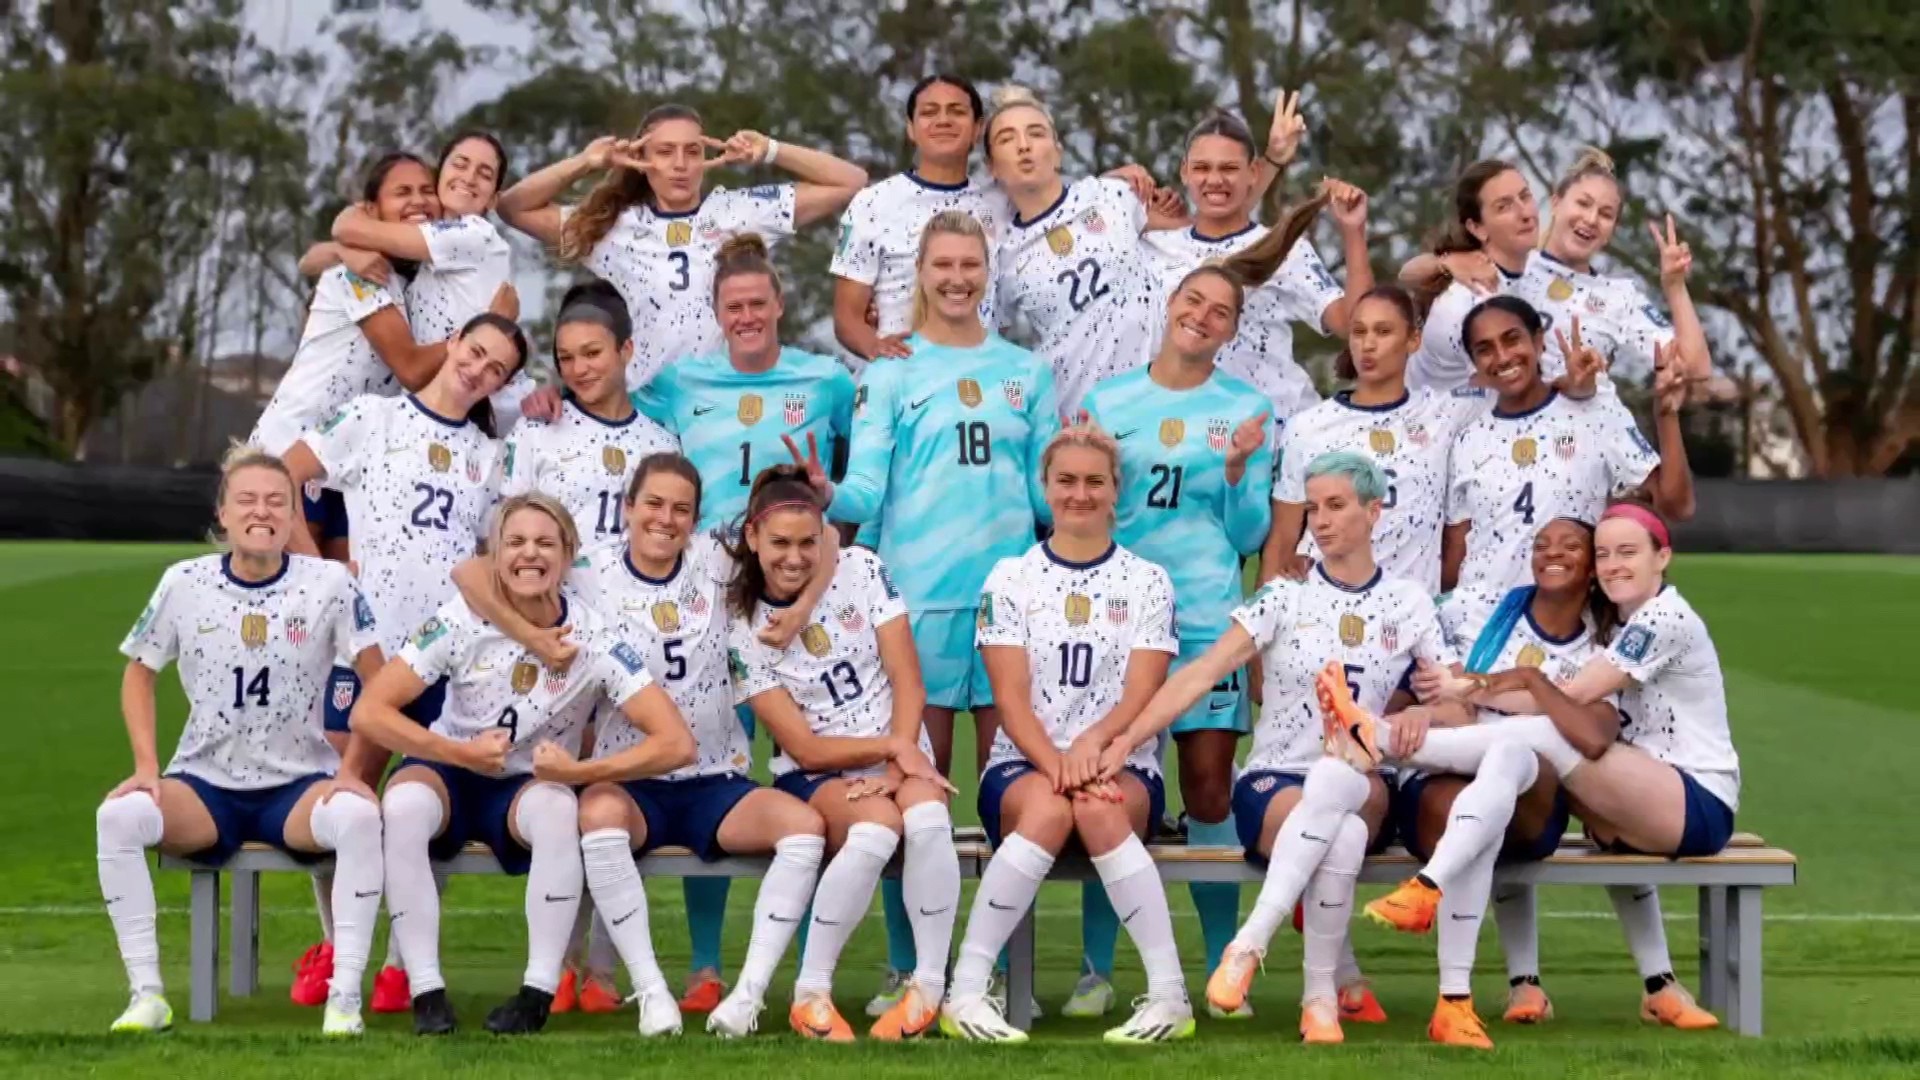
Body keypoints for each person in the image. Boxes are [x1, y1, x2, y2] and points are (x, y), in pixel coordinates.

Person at [451, 455, 836, 1037]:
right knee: (598, 815)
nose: (666, 518)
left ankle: (748, 997)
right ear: (628, 507)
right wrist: (532, 636)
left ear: (697, 519)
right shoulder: (589, 567)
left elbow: (823, 536)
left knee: (804, 828)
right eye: (653, 503)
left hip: (715, 776)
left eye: (681, 508)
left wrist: (801, 609)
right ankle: (652, 993)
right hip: (629, 778)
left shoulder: (717, 559)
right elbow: (471, 574)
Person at [796, 210, 1058, 1016]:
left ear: (988, 273)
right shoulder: (892, 370)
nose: (956, 278)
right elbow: (868, 490)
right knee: (917, 794)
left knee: (1022, 795)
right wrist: (829, 494)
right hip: (923, 604)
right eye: (942, 265)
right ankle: (910, 971)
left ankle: (1001, 976)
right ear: (920, 272)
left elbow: (1048, 496)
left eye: (969, 265)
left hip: (1014, 609)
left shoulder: (1028, 371)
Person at [1098, 451, 1452, 1044]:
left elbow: (1455, 700)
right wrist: (1126, 739)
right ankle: (1320, 1004)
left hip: (1365, 784)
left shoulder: (1411, 602)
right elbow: (1198, 674)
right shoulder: (1281, 598)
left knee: (1345, 792)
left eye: (1337, 506)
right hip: (1276, 783)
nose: (1321, 520)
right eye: (1312, 507)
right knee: (1337, 831)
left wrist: (1423, 709)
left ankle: (1252, 947)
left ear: (1374, 512)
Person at [1378, 501, 1732, 1032]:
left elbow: (1571, 703)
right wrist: (1483, 691)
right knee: (1513, 768)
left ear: (1664, 555)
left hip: (1694, 798)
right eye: (1608, 553)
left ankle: (1377, 744)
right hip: (1643, 788)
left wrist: (1495, 686)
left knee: (1545, 742)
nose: (1614, 564)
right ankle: (1652, 986)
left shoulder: (1662, 617)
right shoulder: (1623, 620)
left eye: (1627, 553)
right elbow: (1555, 703)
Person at [351, 494, 693, 1036]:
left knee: (558, 809)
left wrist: (578, 775)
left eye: (544, 543)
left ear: (568, 555)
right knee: (404, 804)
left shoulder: (594, 636)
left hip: (528, 784)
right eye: (515, 542)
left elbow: (676, 743)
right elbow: (370, 711)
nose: (529, 554)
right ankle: (425, 990)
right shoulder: (458, 619)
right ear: (494, 554)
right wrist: (458, 753)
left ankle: (536, 992)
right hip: (453, 771)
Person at [281, 312, 528, 1012]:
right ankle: (337, 949)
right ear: (452, 343)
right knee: (345, 793)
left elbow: (490, 561)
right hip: (362, 647)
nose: (478, 370)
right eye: (474, 351)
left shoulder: (491, 458)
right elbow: (289, 475)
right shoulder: (372, 418)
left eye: (497, 369)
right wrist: (322, 574)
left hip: (443, 660)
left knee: (423, 806)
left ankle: (396, 965)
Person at [96, 449, 385, 1036]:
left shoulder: (329, 582)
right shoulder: (184, 582)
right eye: (247, 500)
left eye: (277, 501)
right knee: (118, 816)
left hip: (299, 784)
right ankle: (146, 995)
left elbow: (378, 683)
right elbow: (138, 673)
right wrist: (147, 766)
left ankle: (345, 998)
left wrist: (353, 767)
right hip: (204, 785)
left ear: (291, 517)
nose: (263, 511)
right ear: (222, 514)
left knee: (358, 817)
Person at [941, 425, 1193, 1046]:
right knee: (1055, 805)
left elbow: (1142, 696)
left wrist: (1095, 746)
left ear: (1115, 491)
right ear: (1045, 488)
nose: (1079, 494)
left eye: (1093, 482)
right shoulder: (1011, 576)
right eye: (1066, 481)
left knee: (1099, 810)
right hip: (1023, 762)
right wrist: (1054, 760)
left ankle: (1170, 998)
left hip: (1122, 760)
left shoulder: (1148, 580)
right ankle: (966, 993)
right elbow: (1009, 697)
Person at [1074, 262, 1273, 1016]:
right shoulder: (1108, 400)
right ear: (1170, 303)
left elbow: (1250, 532)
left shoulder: (1247, 408)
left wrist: (1234, 471)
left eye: (1221, 311)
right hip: (1118, 622)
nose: (1203, 316)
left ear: (1231, 329)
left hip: (1203, 620)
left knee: (1210, 789)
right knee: (1108, 786)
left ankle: (1228, 970)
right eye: (1195, 300)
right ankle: (1097, 970)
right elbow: (1079, 500)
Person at [723, 466, 960, 1042]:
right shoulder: (740, 627)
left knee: (928, 818)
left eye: (808, 541)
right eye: (779, 543)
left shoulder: (863, 569)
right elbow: (803, 747)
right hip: (819, 770)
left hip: (900, 749)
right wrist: (890, 749)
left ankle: (929, 987)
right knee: (877, 829)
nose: (795, 556)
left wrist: (898, 757)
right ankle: (812, 993)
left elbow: (909, 683)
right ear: (752, 539)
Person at [1382, 517, 1612, 1043]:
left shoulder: (1604, 643)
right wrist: (1430, 708)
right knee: (1476, 802)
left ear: (1594, 566)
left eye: (1570, 544)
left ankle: (1446, 952)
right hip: (1447, 779)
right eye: (1541, 544)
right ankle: (1454, 1002)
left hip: (1533, 796)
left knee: (1510, 760)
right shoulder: (1482, 613)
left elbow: (1592, 733)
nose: (1551, 553)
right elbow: (1422, 693)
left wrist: (1489, 690)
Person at [497, 106, 867, 388]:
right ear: (642, 160)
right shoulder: (615, 227)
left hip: (721, 399)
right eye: (665, 151)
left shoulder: (738, 211)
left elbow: (850, 181)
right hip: (646, 401)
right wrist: (585, 162)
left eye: (692, 151)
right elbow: (513, 207)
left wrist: (770, 149)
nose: (680, 165)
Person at [1264, 285, 1525, 593]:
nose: (1368, 344)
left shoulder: (1444, 414)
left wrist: (1443, 264)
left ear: (1413, 339)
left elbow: (1515, 377)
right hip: (1323, 615)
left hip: (1408, 618)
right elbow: (1282, 539)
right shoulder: (1308, 427)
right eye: (1359, 332)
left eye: (1383, 331)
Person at [1141, 98, 1370, 426]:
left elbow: (1352, 325)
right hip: (1185, 434)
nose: (1215, 180)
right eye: (1202, 168)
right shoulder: (1153, 247)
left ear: (1254, 173)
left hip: (1276, 429)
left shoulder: (1284, 249)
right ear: (1185, 172)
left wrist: (1353, 232)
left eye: (1229, 168)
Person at [1443, 296, 1695, 594]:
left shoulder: (1595, 411)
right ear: (1474, 363)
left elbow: (1678, 506)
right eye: (1484, 349)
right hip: (1484, 624)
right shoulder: (1467, 439)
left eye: (1512, 340)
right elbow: (1456, 557)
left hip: (1571, 621)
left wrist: (1666, 415)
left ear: (1539, 342)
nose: (1502, 357)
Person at [1405, 152, 1714, 393]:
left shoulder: (1620, 296)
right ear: (1555, 203)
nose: (1591, 219)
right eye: (1583, 203)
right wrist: (1445, 262)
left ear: (1612, 230)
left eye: (1606, 215)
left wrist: (1674, 287)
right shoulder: (1513, 261)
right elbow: (1410, 276)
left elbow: (1696, 368)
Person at [627, 234, 857, 540]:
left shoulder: (827, 379)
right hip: (709, 561)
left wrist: (855, 526)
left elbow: (876, 465)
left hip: (792, 561)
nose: (747, 318)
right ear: (717, 312)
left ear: (779, 305)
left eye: (758, 304)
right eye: (734, 307)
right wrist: (554, 398)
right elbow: (605, 404)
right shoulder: (680, 381)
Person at [983, 86, 1181, 414]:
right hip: (1079, 422)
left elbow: (1196, 240)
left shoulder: (1113, 195)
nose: (1023, 146)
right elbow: (994, 350)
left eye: (1036, 133)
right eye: (1006, 139)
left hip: (1157, 405)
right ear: (992, 166)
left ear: (1058, 150)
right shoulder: (1001, 259)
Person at [331, 131, 535, 430]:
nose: (469, 177)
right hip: (452, 413)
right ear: (440, 176)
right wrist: (345, 252)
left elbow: (349, 228)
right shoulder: (426, 254)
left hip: (498, 414)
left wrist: (346, 227)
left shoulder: (475, 235)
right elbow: (315, 258)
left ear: (492, 198)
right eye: (460, 164)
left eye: (484, 173)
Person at [830, 74, 1011, 369]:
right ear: (911, 129)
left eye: (957, 111)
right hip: (903, 385)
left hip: (983, 385)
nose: (943, 120)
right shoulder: (872, 203)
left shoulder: (1001, 204)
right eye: (929, 112)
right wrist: (876, 348)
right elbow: (847, 317)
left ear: (978, 128)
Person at [501, 282, 678, 543]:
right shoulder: (535, 431)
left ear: (625, 350)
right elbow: (506, 535)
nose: (579, 369)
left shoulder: (664, 446)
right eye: (566, 358)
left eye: (592, 353)